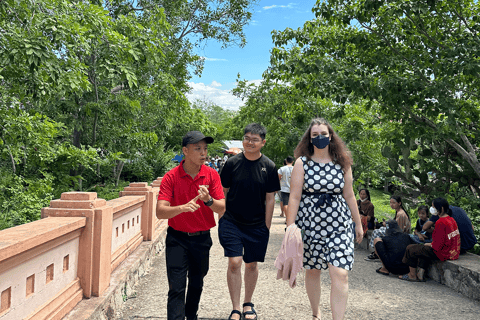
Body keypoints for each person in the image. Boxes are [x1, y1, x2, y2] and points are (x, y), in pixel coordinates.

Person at [286, 118, 363, 320]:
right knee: (313, 271)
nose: (320, 138)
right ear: (309, 139)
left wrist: (358, 223)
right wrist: (290, 227)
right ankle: (316, 313)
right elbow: (294, 196)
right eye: (315, 135)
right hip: (310, 224)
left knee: (340, 272)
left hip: (340, 224)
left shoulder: (343, 161)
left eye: (323, 134)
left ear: (331, 136)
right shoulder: (302, 163)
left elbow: (349, 194)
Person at [156, 131, 226, 320]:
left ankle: (191, 315)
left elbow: (222, 208)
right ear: (185, 151)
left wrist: (208, 199)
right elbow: (160, 211)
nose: (203, 153)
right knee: (176, 287)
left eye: (205, 149)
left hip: (202, 239)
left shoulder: (211, 175)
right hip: (177, 238)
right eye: (198, 149)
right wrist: (182, 208)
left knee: (196, 283)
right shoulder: (171, 177)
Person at [219, 123, 281, 320]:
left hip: (256, 224)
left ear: (263, 142)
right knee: (235, 262)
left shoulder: (269, 166)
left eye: (255, 139)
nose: (250, 142)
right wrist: (221, 219)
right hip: (232, 221)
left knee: (251, 264)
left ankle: (248, 303)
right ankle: (235, 308)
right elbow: (223, 192)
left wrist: (267, 225)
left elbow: (271, 198)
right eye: (247, 138)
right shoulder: (231, 163)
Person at [400, 197, 460, 282]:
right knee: (422, 249)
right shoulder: (451, 219)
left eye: (434, 207)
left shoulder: (441, 222)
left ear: (441, 209)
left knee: (410, 248)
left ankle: (412, 275)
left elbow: (436, 246)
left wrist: (427, 244)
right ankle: (420, 274)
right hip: (453, 252)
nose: (432, 209)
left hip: (443, 253)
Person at [365, 195, 411, 261]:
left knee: (376, 232)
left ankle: (376, 253)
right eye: (390, 203)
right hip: (397, 232)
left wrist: (386, 225)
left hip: (400, 235)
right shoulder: (399, 212)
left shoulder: (401, 214)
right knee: (379, 229)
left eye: (394, 203)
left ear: (399, 203)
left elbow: (398, 229)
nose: (391, 204)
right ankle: (376, 252)